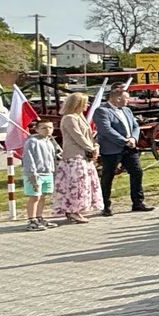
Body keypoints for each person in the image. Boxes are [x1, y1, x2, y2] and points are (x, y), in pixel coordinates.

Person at [93, 85, 153, 215]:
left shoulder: (127, 110)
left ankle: (138, 202)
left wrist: (133, 139)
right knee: (108, 176)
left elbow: (136, 126)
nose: (129, 100)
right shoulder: (102, 111)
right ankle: (106, 205)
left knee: (137, 172)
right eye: (127, 98)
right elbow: (106, 130)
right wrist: (124, 140)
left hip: (130, 148)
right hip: (111, 149)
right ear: (117, 98)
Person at [52, 92, 100, 224]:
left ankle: (78, 209)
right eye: (85, 102)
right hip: (74, 155)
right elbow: (78, 136)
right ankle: (73, 210)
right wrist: (90, 148)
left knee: (84, 184)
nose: (87, 105)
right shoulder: (69, 118)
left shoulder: (80, 117)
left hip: (85, 155)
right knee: (77, 185)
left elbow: (89, 135)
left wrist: (95, 146)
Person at [20, 119, 58, 230]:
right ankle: (32, 220)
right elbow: (28, 159)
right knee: (35, 196)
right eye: (44, 128)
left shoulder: (49, 142)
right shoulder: (32, 142)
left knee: (43, 196)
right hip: (35, 174)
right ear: (37, 129)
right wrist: (32, 174)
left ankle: (39, 216)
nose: (48, 130)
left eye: (50, 127)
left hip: (48, 172)